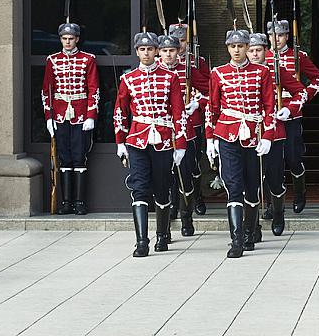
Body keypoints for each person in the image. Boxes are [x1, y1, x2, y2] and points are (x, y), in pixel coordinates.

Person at [114, 31, 187, 257]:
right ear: (137, 52)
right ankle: (141, 241)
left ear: (157, 51)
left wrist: (181, 144)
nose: (146, 53)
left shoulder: (170, 78)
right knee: (139, 189)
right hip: (137, 139)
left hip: (163, 140)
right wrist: (120, 141)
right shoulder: (128, 78)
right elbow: (120, 111)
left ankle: (163, 235)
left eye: (150, 49)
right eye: (142, 49)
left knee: (162, 189)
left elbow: (178, 112)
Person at [206, 28, 275, 258]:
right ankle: (237, 239)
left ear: (247, 47)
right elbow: (212, 108)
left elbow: (269, 106)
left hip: (253, 135)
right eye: (232, 46)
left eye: (241, 46)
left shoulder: (261, 72)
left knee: (252, 187)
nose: (237, 50)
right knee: (233, 187)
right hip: (227, 134)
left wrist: (268, 135)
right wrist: (210, 138)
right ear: (228, 48)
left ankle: (250, 230)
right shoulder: (218, 73)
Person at [265, 19, 319, 214]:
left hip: (291, 112)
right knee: (271, 160)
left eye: (281, 35)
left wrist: (303, 96)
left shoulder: (298, 56)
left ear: (287, 36)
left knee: (293, 157)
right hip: (269, 114)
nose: (277, 39)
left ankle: (300, 192)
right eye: (273, 35)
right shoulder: (262, 57)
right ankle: (272, 205)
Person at [41, 21, 100, 215]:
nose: (67, 42)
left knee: (79, 157)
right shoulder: (52, 60)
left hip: (81, 113)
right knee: (64, 157)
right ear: (60, 39)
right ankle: (66, 202)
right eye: (64, 39)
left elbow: (94, 89)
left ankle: (80, 202)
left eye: (71, 39)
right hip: (59, 114)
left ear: (77, 39)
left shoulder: (87, 59)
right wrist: (49, 117)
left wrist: (91, 115)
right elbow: (47, 90)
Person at [249, 32, 304, 236]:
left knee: (274, 177)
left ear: (266, 51)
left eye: (258, 50)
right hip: (248, 132)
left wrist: (290, 109)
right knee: (251, 179)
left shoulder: (276, 69)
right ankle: (252, 225)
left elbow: (301, 92)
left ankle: (278, 213)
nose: (254, 54)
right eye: (251, 50)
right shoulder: (240, 72)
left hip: (274, 131)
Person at [158, 31, 202, 236]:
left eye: (172, 51)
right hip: (162, 132)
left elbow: (212, 89)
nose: (168, 55)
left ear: (178, 51)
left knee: (186, 174)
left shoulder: (188, 69)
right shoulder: (154, 73)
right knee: (165, 177)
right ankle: (167, 218)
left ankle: (187, 217)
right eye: (165, 51)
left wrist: (197, 102)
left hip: (186, 131)